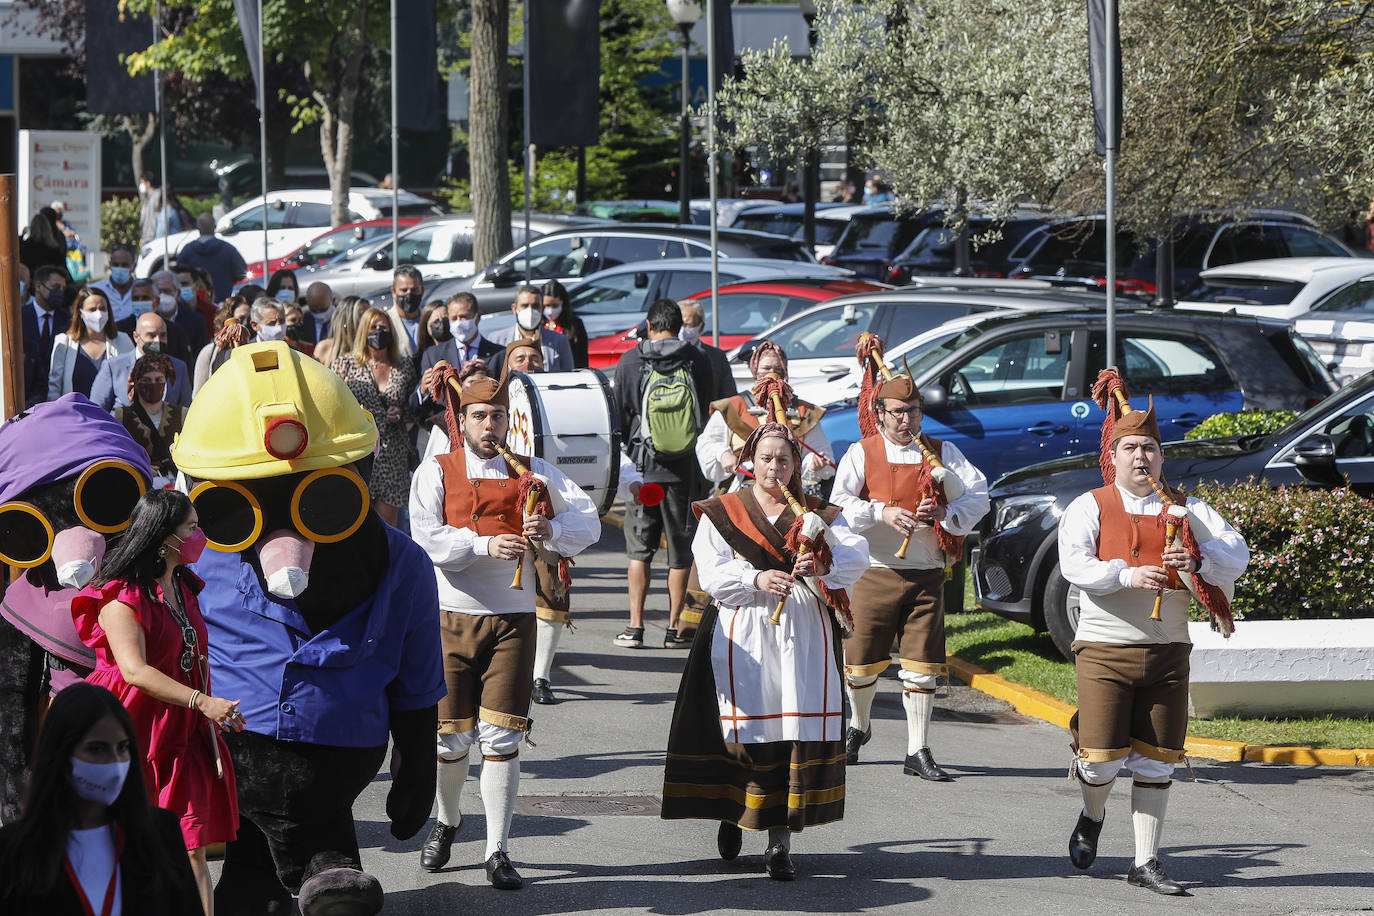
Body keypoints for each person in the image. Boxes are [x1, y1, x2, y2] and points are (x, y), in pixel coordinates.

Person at [1057, 370, 1248, 896]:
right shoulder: (1089, 505)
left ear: (1162, 456)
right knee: (1100, 763)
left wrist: (1198, 559)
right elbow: (1074, 565)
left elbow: (1237, 558)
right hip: (1105, 648)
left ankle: (1145, 861)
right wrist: (1124, 573)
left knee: (1157, 759)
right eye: (1131, 448)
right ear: (1113, 455)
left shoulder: (1188, 510)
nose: (1141, 458)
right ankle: (1092, 815)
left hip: (1168, 651)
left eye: (1150, 449)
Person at [408, 372, 600, 889]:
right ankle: (447, 823)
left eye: (496, 416)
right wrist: (481, 545)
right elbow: (425, 536)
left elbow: (590, 520)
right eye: (479, 416)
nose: (489, 425)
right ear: (462, 421)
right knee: (451, 742)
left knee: (502, 736)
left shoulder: (533, 472)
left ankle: (497, 849)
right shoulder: (435, 470)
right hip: (449, 618)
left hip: (514, 620)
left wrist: (552, 530)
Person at [661, 423, 868, 880]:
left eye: (785, 460)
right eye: (767, 458)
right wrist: (756, 579)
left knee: (791, 730)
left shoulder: (818, 511)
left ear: (796, 465)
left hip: (802, 632)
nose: (775, 468)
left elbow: (857, 557)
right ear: (751, 461)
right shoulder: (725, 510)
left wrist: (823, 561)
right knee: (742, 731)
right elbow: (711, 573)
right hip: (742, 627)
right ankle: (732, 812)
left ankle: (780, 841)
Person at [69, 489, 242, 915]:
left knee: (192, 845)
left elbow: (191, 656)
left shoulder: (184, 585)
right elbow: (134, 671)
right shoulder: (119, 596)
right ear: (165, 536)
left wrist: (212, 708)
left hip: (182, 726)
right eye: (192, 528)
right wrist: (203, 701)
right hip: (127, 728)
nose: (200, 535)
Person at [830, 367, 989, 780]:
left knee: (921, 666)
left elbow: (979, 498)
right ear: (878, 412)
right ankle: (858, 727)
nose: (907, 421)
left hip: (926, 572)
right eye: (898, 412)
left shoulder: (942, 451)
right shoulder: (861, 452)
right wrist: (881, 512)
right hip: (874, 570)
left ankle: (917, 750)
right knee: (861, 664)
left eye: (914, 412)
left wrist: (944, 513)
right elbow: (838, 503)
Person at [0, 682, 203, 915]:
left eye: (123, 748)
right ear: (61, 754)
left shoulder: (162, 833)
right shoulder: (13, 850)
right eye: (97, 750)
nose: (115, 763)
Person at [612, 298, 715, 649]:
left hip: (645, 474)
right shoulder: (696, 359)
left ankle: (635, 627)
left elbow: (621, 418)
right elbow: (707, 409)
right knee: (680, 551)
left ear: (649, 324)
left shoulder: (631, 361)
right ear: (679, 325)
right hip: (685, 471)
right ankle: (673, 630)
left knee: (639, 550)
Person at [697, 341, 834, 495]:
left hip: (792, 491)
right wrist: (723, 454)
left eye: (778, 369)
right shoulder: (733, 407)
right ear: (755, 371)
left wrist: (814, 464)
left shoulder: (804, 412)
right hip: (743, 489)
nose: (772, 374)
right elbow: (707, 443)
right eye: (766, 369)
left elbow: (819, 452)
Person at [332, 307, 419, 526]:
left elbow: (414, 405)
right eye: (373, 327)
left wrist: (401, 412)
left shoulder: (404, 365)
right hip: (360, 449)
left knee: (387, 526)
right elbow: (333, 403)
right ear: (363, 331)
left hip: (393, 452)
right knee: (357, 519)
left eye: (383, 327)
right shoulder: (345, 364)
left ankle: (386, 561)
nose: (378, 332)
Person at [413, 293, 503, 427]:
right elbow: (415, 406)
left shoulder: (500, 354)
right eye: (454, 318)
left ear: (477, 317)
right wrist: (423, 391)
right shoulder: (433, 355)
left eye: (464, 317)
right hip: (447, 433)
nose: (458, 323)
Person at [91, 312, 192, 411]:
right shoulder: (113, 367)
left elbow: (186, 412)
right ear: (136, 337)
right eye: (151, 335)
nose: (157, 341)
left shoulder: (179, 368)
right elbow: (96, 411)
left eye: (163, 335)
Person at [48, 288, 136, 401]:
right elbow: (54, 387)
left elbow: (132, 380)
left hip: (110, 416)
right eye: (92, 309)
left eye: (103, 309)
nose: (98, 314)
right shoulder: (64, 343)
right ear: (81, 313)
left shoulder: (123, 340)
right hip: (73, 415)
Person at [116, 353, 183, 488]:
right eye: (147, 380)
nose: (153, 384)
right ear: (137, 381)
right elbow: (117, 456)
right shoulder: (120, 416)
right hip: (138, 487)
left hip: (175, 487)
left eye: (159, 379)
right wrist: (139, 468)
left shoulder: (182, 414)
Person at [486, 285, 575, 375]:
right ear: (514, 309)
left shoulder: (559, 341)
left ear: (542, 309)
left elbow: (568, 377)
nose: (530, 311)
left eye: (535, 306)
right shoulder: (496, 340)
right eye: (524, 306)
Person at [24, 266, 72, 406]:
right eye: (56, 287)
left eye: (63, 288)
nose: (60, 292)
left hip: (57, 400)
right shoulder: (19, 318)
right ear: (38, 286)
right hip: (25, 399)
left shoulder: (67, 321)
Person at [175, 212, 247, 300]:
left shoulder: (187, 250)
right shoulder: (228, 249)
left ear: (198, 227)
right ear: (214, 226)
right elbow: (241, 273)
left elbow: (177, 275)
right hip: (222, 300)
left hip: (196, 301)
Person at [677, 300, 737, 403]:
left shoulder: (717, 357)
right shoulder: (666, 355)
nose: (683, 331)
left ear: (701, 327)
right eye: (679, 325)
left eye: (689, 325)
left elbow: (729, 398)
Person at [193, 298, 252, 395]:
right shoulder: (209, 351)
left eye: (248, 318)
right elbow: (199, 393)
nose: (245, 323)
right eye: (240, 319)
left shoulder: (254, 347)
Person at [146, 269, 205, 362]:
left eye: (167, 291)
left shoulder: (196, 321)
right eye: (159, 292)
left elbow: (200, 356)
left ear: (177, 294)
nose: (162, 296)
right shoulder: (147, 322)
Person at [538, 279, 587, 369]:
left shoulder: (575, 325)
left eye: (555, 305)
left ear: (563, 303)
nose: (550, 310)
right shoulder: (537, 324)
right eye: (546, 306)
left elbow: (582, 359)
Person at [90, 244, 140, 323]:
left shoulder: (142, 291)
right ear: (110, 265)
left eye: (125, 265)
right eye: (116, 264)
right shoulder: (95, 290)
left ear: (133, 266)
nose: (120, 268)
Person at [313, 295, 364, 366]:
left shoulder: (369, 350)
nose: (368, 322)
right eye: (362, 317)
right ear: (347, 321)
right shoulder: (324, 347)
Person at [386, 265, 425, 357]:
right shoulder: (385, 322)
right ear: (394, 292)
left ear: (422, 291)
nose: (409, 294)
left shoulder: (429, 319)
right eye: (404, 290)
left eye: (414, 290)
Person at [20, 207, 69, 276]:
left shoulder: (26, 246)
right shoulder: (56, 244)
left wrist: (22, 236)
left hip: (32, 280)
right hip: (52, 279)